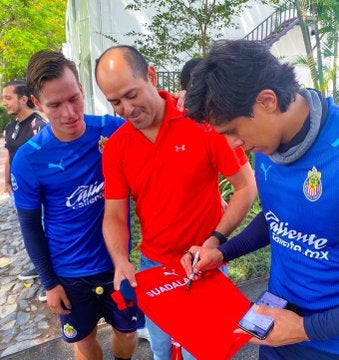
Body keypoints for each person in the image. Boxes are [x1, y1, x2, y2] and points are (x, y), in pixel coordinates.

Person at [94, 45, 257, 360]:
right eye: (115, 102)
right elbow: (113, 215)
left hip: (204, 264)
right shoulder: (117, 148)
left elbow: (246, 187)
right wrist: (120, 261)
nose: (126, 109)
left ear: (151, 76)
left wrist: (214, 241)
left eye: (131, 95)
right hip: (154, 267)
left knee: (205, 352)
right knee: (161, 349)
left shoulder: (201, 122)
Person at [182, 39, 339, 360]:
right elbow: (277, 217)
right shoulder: (267, 142)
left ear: (267, 101)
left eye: (233, 130)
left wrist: (307, 328)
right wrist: (222, 252)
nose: (233, 145)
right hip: (273, 327)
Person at [11, 50, 138, 360]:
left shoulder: (113, 130)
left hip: (116, 263)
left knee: (128, 333)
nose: (69, 112)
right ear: (38, 105)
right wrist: (49, 282)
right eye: (55, 105)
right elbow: (30, 225)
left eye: (74, 98)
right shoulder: (29, 159)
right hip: (69, 273)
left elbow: (161, 135)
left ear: (82, 89)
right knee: (84, 341)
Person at [2, 79, 47, 300]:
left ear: (23, 99)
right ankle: (40, 267)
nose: (4, 103)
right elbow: (9, 155)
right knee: (30, 231)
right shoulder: (11, 127)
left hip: (39, 192)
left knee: (45, 230)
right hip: (19, 190)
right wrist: (6, 180)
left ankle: (52, 277)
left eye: (8, 97)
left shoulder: (38, 125)